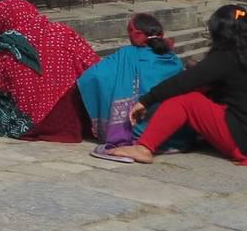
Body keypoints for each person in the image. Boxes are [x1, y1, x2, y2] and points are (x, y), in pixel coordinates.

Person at [103, 4, 247, 167]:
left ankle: (144, 148)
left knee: (186, 101)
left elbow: (183, 82)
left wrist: (146, 100)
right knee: (203, 93)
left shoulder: (226, 56)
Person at [0, 0, 99, 142]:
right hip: (75, 118)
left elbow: (1, 88)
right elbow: (93, 66)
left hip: (30, 125)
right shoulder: (63, 32)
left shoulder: (3, 46)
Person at [78, 13, 189, 149]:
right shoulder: (172, 57)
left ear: (133, 33)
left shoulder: (127, 54)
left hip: (138, 130)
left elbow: (93, 76)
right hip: (175, 131)